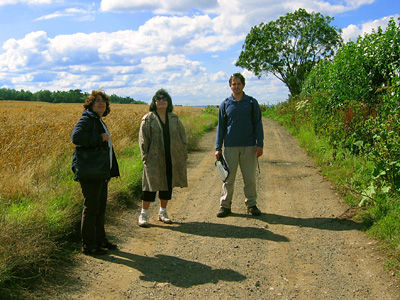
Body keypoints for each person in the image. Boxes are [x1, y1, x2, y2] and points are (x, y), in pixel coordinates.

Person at [71, 90, 120, 255]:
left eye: (103, 101)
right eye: (97, 101)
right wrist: (99, 138)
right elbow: (76, 137)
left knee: (100, 207)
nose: (100, 103)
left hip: (99, 171)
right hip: (91, 171)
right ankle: (89, 245)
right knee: (91, 208)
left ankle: (100, 240)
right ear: (90, 104)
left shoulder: (97, 120)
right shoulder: (87, 119)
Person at [215, 73, 264, 217]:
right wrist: (218, 148)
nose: (236, 86)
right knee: (228, 178)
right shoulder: (225, 104)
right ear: (230, 86)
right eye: (233, 84)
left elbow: (258, 124)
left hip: (249, 146)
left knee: (249, 178)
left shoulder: (251, 102)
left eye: (239, 84)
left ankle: (252, 204)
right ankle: (225, 206)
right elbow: (221, 127)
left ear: (243, 85)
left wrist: (259, 144)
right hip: (230, 147)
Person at [138, 89, 188, 227]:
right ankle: (143, 214)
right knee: (149, 187)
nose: (161, 101)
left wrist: (183, 152)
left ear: (168, 102)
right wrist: (145, 157)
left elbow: (182, 136)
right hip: (153, 159)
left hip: (171, 157)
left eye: (164, 98)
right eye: (158, 99)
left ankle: (163, 212)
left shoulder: (174, 118)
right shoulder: (148, 118)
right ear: (154, 102)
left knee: (167, 185)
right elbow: (143, 139)